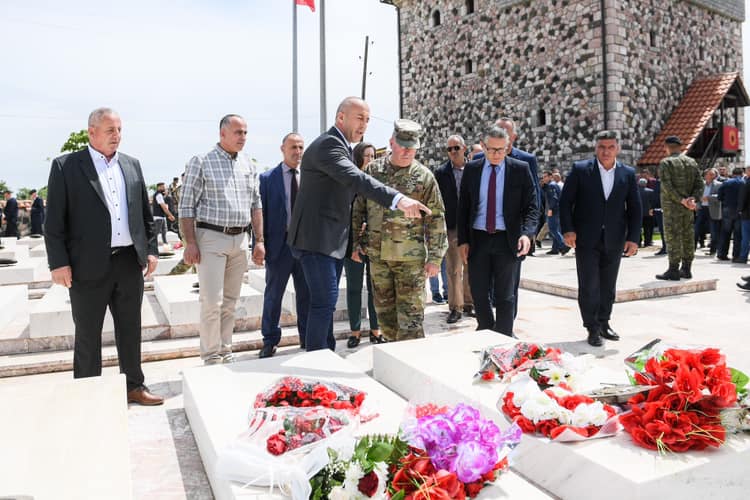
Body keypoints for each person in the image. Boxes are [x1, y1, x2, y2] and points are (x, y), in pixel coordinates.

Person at [287, 96, 431, 352]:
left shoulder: (340, 146)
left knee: (325, 303)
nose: (364, 124)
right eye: (359, 118)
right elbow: (357, 179)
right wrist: (398, 199)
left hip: (329, 241)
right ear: (341, 117)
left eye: (367, 119)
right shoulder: (329, 145)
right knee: (323, 302)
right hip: (317, 240)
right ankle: (316, 357)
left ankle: (325, 352)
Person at [44, 107, 163, 406]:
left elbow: (144, 214)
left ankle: (133, 386)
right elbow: (54, 221)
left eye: (119, 129)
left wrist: (150, 250)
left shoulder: (132, 165)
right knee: (88, 333)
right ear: (92, 132)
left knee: (130, 329)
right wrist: (58, 263)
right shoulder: (66, 166)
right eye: (110, 130)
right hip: (86, 266)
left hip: (128, 262)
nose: (117, 135)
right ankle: (88, 393)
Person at [179, 114, 265, 365]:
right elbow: (186, 206)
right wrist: (190, 243)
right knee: (211, 301)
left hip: (240, 240)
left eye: (245, 133)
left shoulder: (248, 164)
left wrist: (259, 240)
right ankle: (211, 356)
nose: (243, 137)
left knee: (230, 302)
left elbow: (256, 204)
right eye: (238, 132)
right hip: (211, 238)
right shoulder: (201, 161)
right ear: (222, 133)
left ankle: (225, 351)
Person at [352, 119, 447, 342]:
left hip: (410, 261)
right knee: (385, 319)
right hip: (379, 258)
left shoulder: (424, 177)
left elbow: (436, 219)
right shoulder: (373, 171)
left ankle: (410, 362)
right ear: (391, 143)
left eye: (411, 148)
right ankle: (392, 358)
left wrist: (435, 258)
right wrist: (355, 244)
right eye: (402, 146)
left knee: (411, 323)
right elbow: (358, 209)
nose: (407, 152)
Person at [559, 130, 641, 347]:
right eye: (602, 147)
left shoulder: (627, 173)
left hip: (615, 238)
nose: (606, 151)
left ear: (617, 149)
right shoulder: (580, 170)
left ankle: (604, 322)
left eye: (610, 147)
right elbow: (565, 202)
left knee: (608, 285)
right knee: (589, 284)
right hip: (586, 238)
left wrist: (633, 238)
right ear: (596, 148)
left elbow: (635, 207)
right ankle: (592, 327)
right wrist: (568, 230)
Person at [457, 125, 539, 337]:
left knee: (505, 294)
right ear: (483, 146)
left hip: (507, 239)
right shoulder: (472, 170)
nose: (496, 154)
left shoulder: (520, 169)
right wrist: (463, 240)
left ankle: (503, 335)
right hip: (478, 239)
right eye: (492, 149)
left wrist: (527, 233)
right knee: (478, 290)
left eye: (501, 150)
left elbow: (532, 207)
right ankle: (485, 330)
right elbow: (463, 206)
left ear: (507, 147)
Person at [257, 133, 311, 358]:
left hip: (306, 247)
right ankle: (270, 340)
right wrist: (259, 243)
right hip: (278, 248)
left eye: (301, 147)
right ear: (282, 149)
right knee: (273, 296)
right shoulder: (267, 179)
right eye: (293, 147)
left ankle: (307, 338)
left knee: (306, 295)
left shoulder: (310, 177)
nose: (297, 151)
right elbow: (260, 213)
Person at [345, 142, 383, 348]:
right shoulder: (350, 182)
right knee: (354, 288)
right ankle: (355, 331)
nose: (370, 160)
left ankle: (376, 330)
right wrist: (354, 244)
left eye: (373, 156)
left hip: (375, 244)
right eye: (367, 156)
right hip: (353, 244)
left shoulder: (378, 182)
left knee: (374, 288)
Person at [434, 135, 474, 323]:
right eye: (449, 149)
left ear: (464, 148)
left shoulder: (474, 169)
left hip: (472, 225)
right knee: (453, 268)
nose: (453, 152)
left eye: (456, 148)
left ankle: (469, 303)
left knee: (471, 267)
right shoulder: (441, 173)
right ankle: (455, 307)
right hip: (452, 226)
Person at [654, 136, 702, 280]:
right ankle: (687, 269)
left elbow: (667, 186)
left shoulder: (666, 162)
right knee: (688, 236)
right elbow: (700, 184)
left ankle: (673, 270)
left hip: (672, 208)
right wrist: (692, 199)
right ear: (680, 147)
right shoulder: (691, 162)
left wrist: (681, 200)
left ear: (666, 147)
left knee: (673, 237)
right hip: (688, 208)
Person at [716, 167, 745, 262]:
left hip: (727, 209)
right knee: (738, 234)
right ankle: (736, 256)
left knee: (725, 232)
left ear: (732, 174)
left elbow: (719, 197)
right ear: (742, 173)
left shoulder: (726, 182)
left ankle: (722, 254)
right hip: (740, 210)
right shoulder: (743, 182)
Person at [541, 171, 568, 255]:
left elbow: (554, 198)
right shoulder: (552, 185)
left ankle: (564, 245)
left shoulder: (551, 185)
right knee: (556, 229)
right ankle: (555, 249)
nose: (543, 178)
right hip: (557, 210)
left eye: (545, 176)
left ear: (550, 177)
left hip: (553, 211)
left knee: (553, 229)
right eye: (543, 177)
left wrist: (550, 209)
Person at [696, 168, 722, 254]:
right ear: (705, 175)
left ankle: (713, 250)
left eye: (713, 174)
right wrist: (697, 203)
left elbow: (720, 196)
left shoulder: (719, 185)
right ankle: (692, 249)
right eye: (709, 174)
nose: (711, 176)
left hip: (713, 209)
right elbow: (696, 194)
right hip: (701, 209)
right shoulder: (700, 185)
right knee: (696, 229)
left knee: (713, 230)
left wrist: (709, 198)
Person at [637, 179, 656, 247]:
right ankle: (648, 242)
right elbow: (653, 202)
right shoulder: (651, 191)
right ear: (646, 184)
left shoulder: (635, 191)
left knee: (637, 228)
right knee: (648, 228)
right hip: (648, 213)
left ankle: (638, 242)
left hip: (637, 213)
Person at [737, 173, 750, 265]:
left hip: (747, 214)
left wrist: (740, 210)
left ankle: (743, 257)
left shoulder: (747, 183)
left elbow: (742, 198)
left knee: (746, 237)